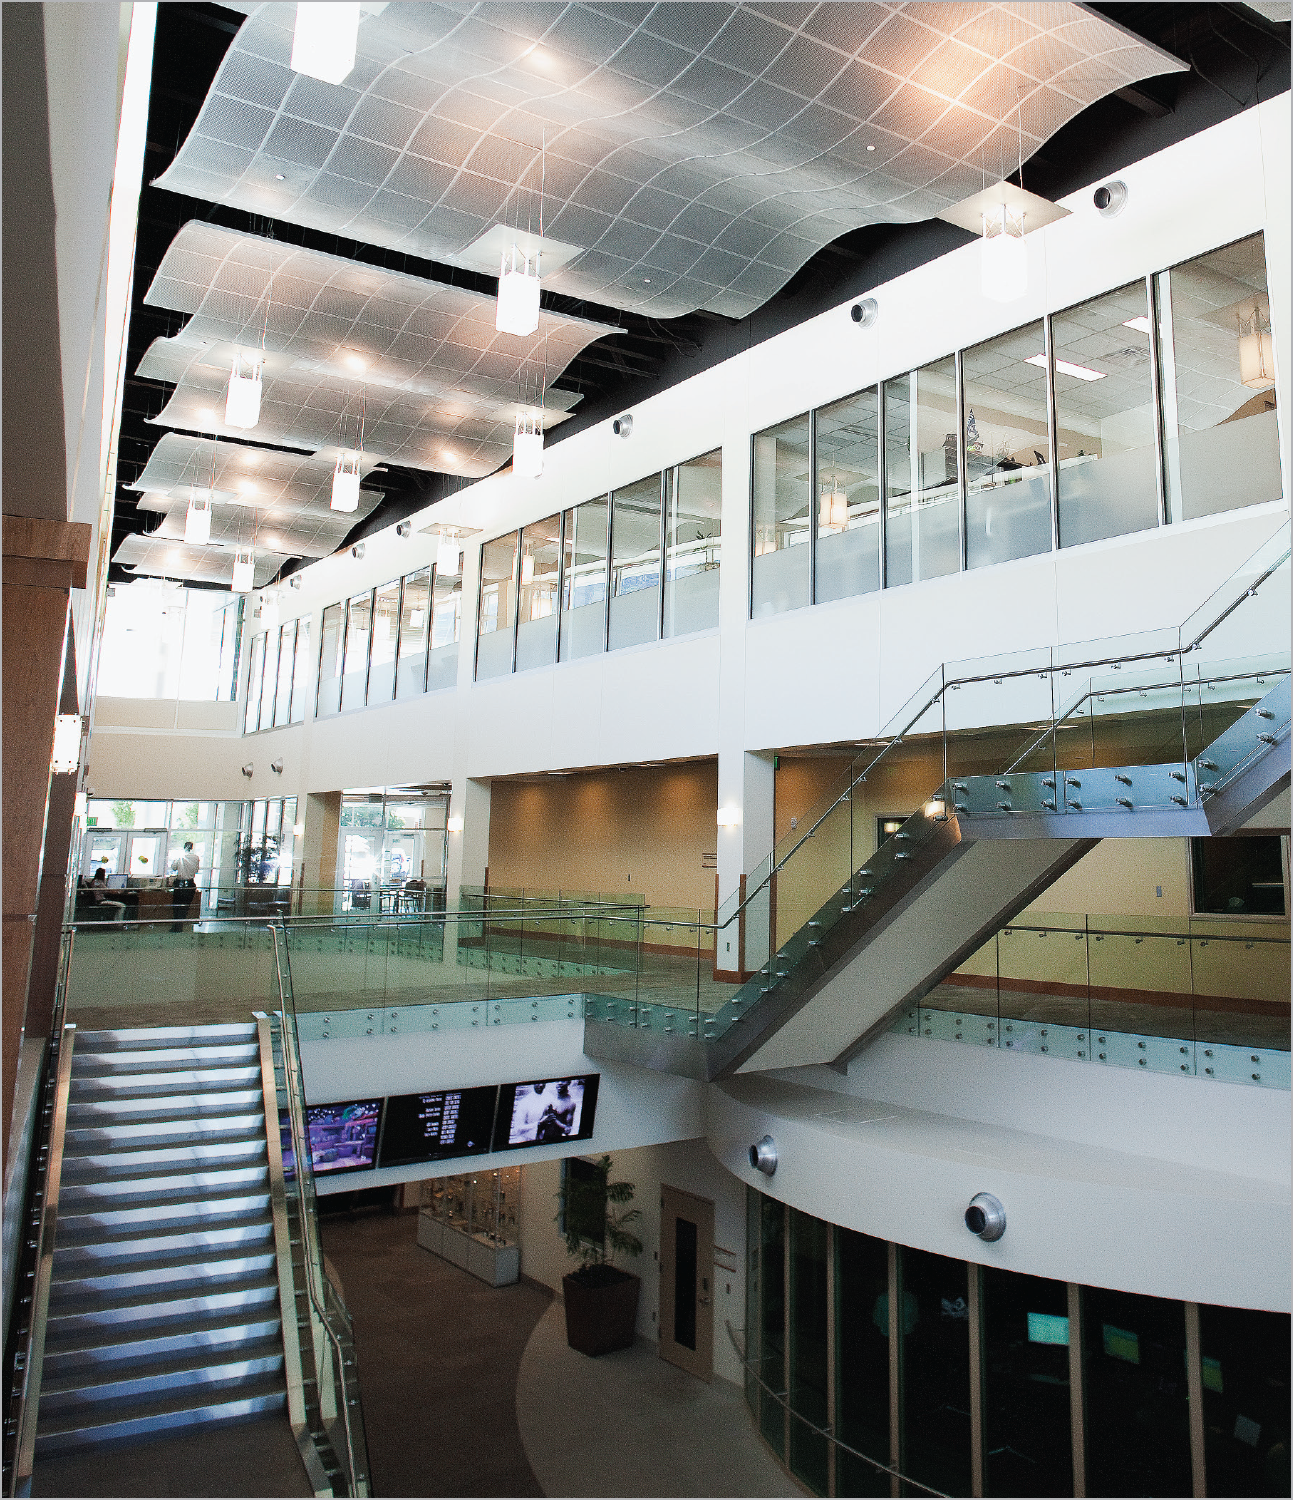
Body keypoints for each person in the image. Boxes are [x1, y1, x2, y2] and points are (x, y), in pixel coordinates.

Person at [169, 840, 200, 931]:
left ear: (184, 847)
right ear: (192, 847)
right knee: (185, 906)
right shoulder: (196, 857)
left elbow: (173, 867)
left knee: (177, 905)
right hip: (190, 883)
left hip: (180, 883)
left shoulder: (180, 857)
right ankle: (180, 925)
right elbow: (196, 870)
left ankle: (176, 926)